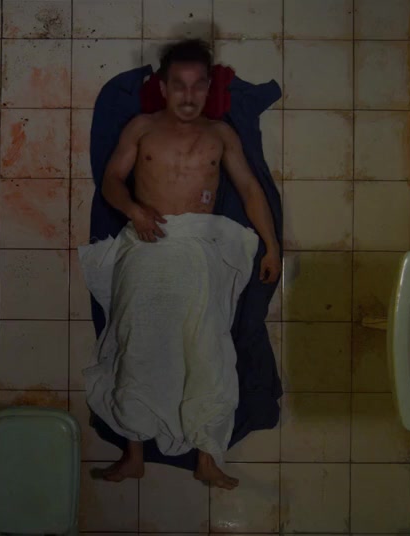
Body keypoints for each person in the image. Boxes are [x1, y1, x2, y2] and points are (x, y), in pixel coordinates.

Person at [84, 39, 280, 490]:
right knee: (137, 345)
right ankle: (133, 454)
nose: (188, 96)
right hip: (147, 245)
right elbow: (111, 180)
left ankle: (207, 457)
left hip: (201, 251)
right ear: (164, 87)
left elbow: (250, 190)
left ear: (209, 88)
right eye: (179, 85)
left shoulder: (221, 135)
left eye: (197, 86)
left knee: (209, 351)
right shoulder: (141, 127)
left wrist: (271, 246)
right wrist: (133, 210)